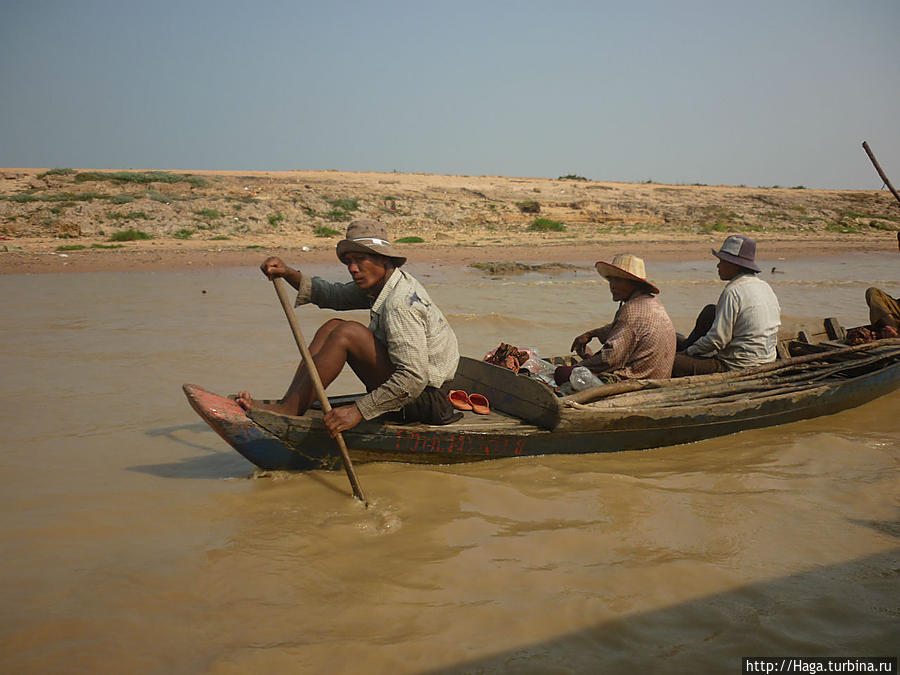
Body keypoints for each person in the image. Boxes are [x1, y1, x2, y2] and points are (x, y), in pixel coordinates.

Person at [236, 219, 462, 435]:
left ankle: (289, 408)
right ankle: (292, 403)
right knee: (332, 326)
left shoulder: (400, 304)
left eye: (360, 260)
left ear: (383, 259)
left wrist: (358, 411)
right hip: (415, 391)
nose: (353, 269)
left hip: (427, 402)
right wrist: (287, 273)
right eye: (349, 262)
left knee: (348, 333)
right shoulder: (383, 284)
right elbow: (333, 295)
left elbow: (413, 379)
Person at [555, 253, 676, 385]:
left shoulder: (631, 311)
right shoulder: (652, 302)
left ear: (633, 283)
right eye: (610, 280)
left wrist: (579, 367)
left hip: (638, 382)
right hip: (659, 377)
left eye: (618, 280)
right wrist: (592, 333)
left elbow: (610, 360)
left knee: (562, 373)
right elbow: (622, 328)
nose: (612, 286)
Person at [672, 234, 781, 377]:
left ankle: (685, 352)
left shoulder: (733, 291)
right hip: (767, 359)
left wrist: (688, 353)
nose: (718, 266)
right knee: (711, 311)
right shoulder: (764, 286)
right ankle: (688, 348)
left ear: (734, 265)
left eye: (722, 261)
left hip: (737, 366)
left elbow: (717, 340)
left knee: (670, 362)